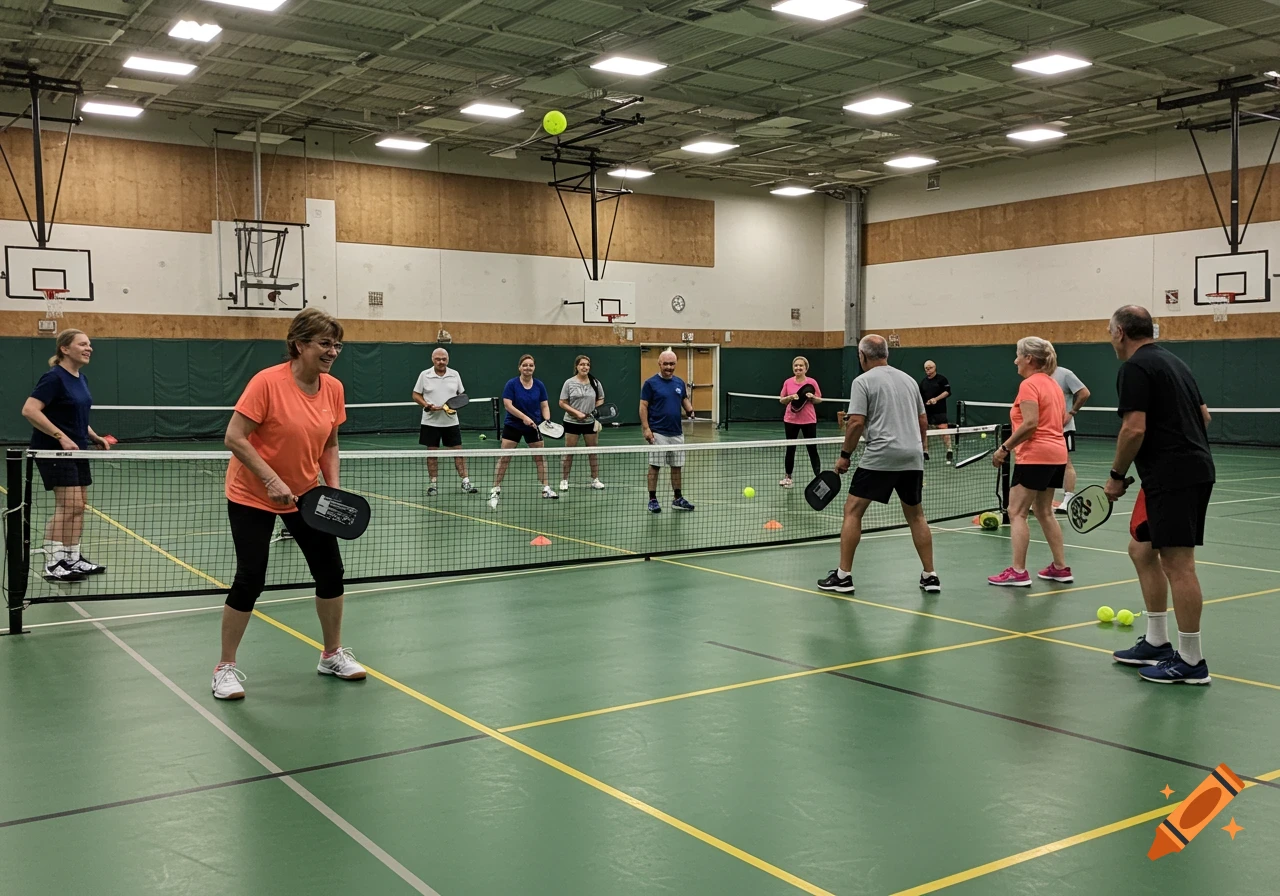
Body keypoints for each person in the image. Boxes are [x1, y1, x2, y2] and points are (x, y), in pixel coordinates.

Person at [215, 308, 364, 701]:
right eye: (325, 343)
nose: (333, 351)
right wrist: (270, 479)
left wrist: (334, 489)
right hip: (252, 495)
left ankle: (331, 654)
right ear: (299, 344)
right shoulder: (267, 383)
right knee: (250, 578)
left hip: (306, 495)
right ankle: (225, 667)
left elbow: (330, 443)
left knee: (331, 573)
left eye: (337, 345)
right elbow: (234, 436)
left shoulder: (333, 388)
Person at [1106, 305, 1215, 685]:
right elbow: (1204, 417)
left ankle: (1191, 661)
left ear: (1120, 332)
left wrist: (1116, 475)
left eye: (1110, 333)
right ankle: (1156, 641)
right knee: (1141, 550)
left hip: (1175, 477)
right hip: (1179, 472)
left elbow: (1133, 429)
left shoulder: (1135, 367)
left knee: (1178, 565)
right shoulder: (1175, 362)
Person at [819, 335, 939, 595]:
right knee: (916, 516)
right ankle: (930, 576)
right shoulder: (909, 380)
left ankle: (843, 576)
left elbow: (856, 423)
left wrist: (845, 455)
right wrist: (921, 450)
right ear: (886, 354)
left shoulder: (862, 381)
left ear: (862, 356)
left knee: (853, 511)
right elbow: (922, 421)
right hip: (912, 456)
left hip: (881, 456)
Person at [21, 328, 111, 583]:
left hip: (78, 449)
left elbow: (75, 415)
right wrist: (60, 437)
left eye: (89, 344)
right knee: (68, 505)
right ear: (65, 348)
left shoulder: (80, 378)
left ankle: (72, 558)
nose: (89, 348)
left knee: (79, 506)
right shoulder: (54, 378)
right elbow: (30, 410)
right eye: (82, 344)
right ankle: (53, 563)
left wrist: (94, 436)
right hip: (54, 451)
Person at [988, 337, 1072, 588]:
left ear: (1029, 359)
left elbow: (1030, 424)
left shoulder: (1029, 385)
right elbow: (1058, 420)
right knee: (1044, 511)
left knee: (1016, 512)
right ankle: (1060, 567)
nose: (1015, 361)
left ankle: (1018, 571)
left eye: (1018, 355)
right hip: (1057, 454)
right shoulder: (1054, 385)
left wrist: (1004, 448)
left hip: (1035, 455)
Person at [491, 354, 558, 508]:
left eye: (531, 365)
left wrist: (547, 420)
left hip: (533, 426)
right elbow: (508, 405)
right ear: (520, 367)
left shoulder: (539, 385)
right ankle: (495, 487)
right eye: (525, 365)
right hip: (513, 425)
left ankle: (546, 488)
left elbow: (544, 405)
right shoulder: (512, 384)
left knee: (540, 458)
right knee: (504, 458)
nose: (528, 368)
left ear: (534, 368)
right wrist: (524, 418)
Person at [412, 347, 477, 496]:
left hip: (451, 422)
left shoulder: (455, 374)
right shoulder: (425, 375)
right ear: (432, 359)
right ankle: (433, 485)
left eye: (444, 359)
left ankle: (465, 482)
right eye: (438, 359)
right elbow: (415, 394)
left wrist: (453, 407)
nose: (441, 362)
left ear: (448, 360)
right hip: (430, 422)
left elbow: (461, 396)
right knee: (432, 454)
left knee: (458, 453)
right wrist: (426, 405)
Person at [640, 349, 695, 513]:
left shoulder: (679, 382)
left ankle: (677, 498)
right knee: (655, 466)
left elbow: (683, 398)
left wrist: (690, 409)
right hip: (658, 432)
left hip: (677, 432)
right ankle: (652, 500)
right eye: (666, 364)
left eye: (672, 364)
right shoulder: (650, 383)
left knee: (677, 466)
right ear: (659, 363)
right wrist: (646, 428)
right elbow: (643, 406)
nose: (669, 367)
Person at [558, 354, 606, 492]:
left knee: (592, 451)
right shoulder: (569, 383)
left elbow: (601, 398)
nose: (585, 367)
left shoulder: (595, 382)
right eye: (582, 364)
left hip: (590, 422)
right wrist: (576, 413)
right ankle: (564, 480)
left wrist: (592, 410)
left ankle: (595, 479)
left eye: (587, 365)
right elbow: (562, 402)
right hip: (571, 421)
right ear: (577, 366)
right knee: (569, 452)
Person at [778, 355, 823, 488]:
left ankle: (818, 478)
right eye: (796, 365)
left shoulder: (812, 382)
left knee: (812, 449)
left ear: (806, 368)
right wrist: (790, 397)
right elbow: (782, 400)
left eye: (801, 366)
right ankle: (788, 477)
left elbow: (819, 399)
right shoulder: (788, 382)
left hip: (808, 420)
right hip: (790, 420)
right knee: (790, 449)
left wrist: (812, 397)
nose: (798, 368)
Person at [1052, 364, 1091, 513]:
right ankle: (1040, 500)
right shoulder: (1036, 375)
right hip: (1043, 429)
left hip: (1063, 428)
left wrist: (1072, 412)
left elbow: (1084, 393)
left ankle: (1068, 499)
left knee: (1066, 462)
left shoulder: (1065, 374)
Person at [919, 360, 952, 463]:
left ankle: (949, 450)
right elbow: (920, 397)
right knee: (924, 430)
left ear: (934, 368)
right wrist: (926, 403)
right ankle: (925, 452)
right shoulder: (923, 382)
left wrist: (936, 399)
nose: (928, 370)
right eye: (926, 368)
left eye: (930, 368)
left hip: (940, 410)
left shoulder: (942, 379)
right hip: (927, 411)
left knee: (943, 429)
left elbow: (947, 392)